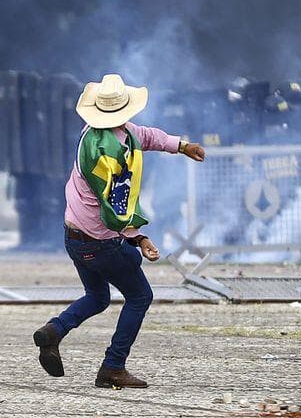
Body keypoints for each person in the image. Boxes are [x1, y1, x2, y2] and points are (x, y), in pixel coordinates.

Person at [32, 74, 206, 388]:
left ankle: (54, 331)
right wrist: (139, 238)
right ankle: (113, 366)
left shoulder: (104, 132)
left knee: (98, 297)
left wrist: (181, 145)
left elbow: (148, 136)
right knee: (140, 295)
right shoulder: (103, 156)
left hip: (74, 236)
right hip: (99, 241)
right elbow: (115, 208)